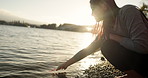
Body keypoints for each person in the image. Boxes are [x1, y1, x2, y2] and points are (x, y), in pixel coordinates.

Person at [57, 0, 148, 78]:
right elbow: (89, 49)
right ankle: (134, 74)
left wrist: (114, 37)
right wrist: (67, 64)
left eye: (93, 9)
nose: (92, 14)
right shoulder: (107, 27)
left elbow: (143, 47)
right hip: (140, 62)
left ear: (103, 6)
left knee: (108, 47)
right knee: (108, 46)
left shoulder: (128, 11)